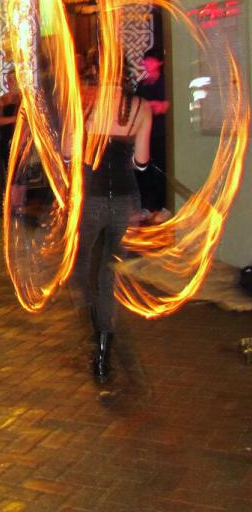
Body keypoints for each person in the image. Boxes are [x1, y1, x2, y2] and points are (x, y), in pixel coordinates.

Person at [70, 74, 152, 384]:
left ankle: (94, 321)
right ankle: (103, 350)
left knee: (80, 266)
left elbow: (69, 151)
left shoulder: (87, 104)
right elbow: (142, 162)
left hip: (91, 199)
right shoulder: (142, 107)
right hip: (125, 201)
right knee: (109, 273)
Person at [135, 53, 170, 223]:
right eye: (145, 61)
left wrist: (153, 106)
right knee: (144, 171)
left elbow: (164, 106)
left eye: (150, 60)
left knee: (160, 171)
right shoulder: (142, 84)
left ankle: (164, 206)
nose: (146, 64)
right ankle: (148, 207)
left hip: (159, 133)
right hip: (145, 135)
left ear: (159, 62)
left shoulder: (165, 82)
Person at [0, 71, 26, 215]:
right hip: (4, 140)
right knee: (7, 171)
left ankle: (19, 203)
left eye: (14, 79)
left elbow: (29, 121)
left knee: (19, 172)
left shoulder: (23, 99)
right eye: (9, 79)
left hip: (20, 139)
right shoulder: (1, 100)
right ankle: (8, 204)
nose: (11, 82)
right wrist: (15, 119)